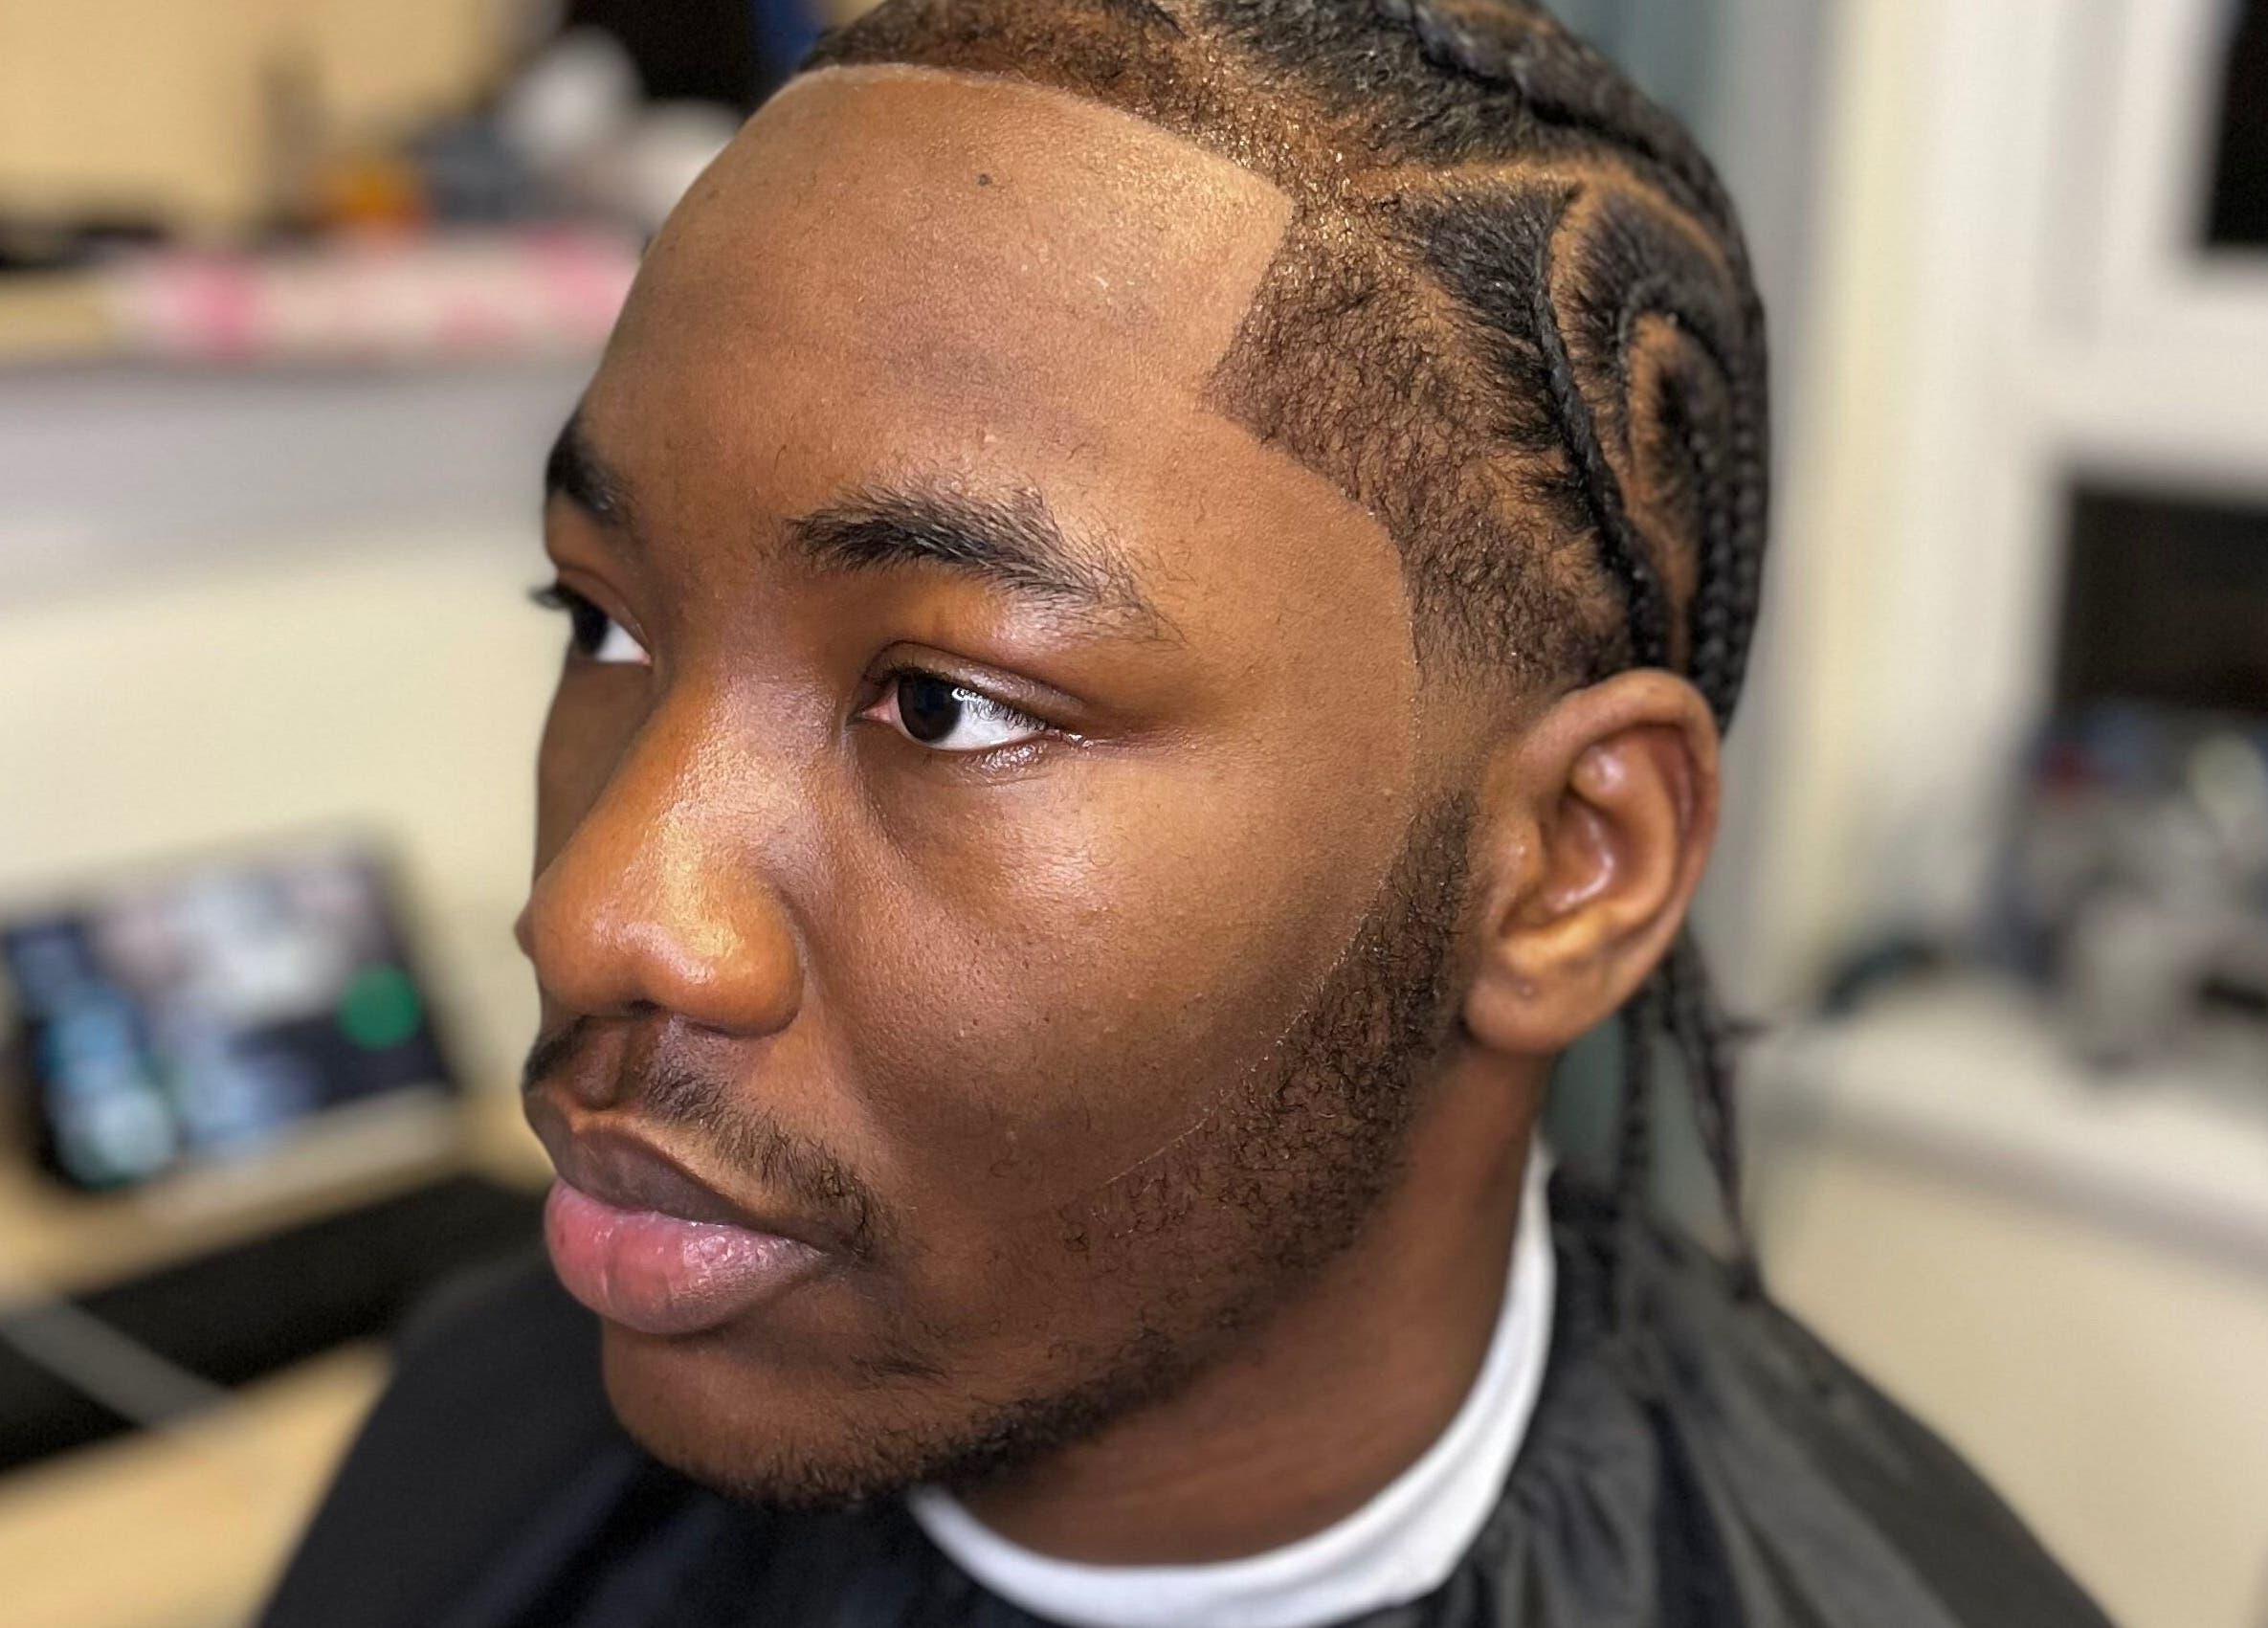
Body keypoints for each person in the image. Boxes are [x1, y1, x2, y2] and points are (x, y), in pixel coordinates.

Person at [263, 2, 2112, 1624]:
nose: (593, 914)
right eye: (604, 617)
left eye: (945, 702)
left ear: (1567, 865)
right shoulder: (481, 1419)